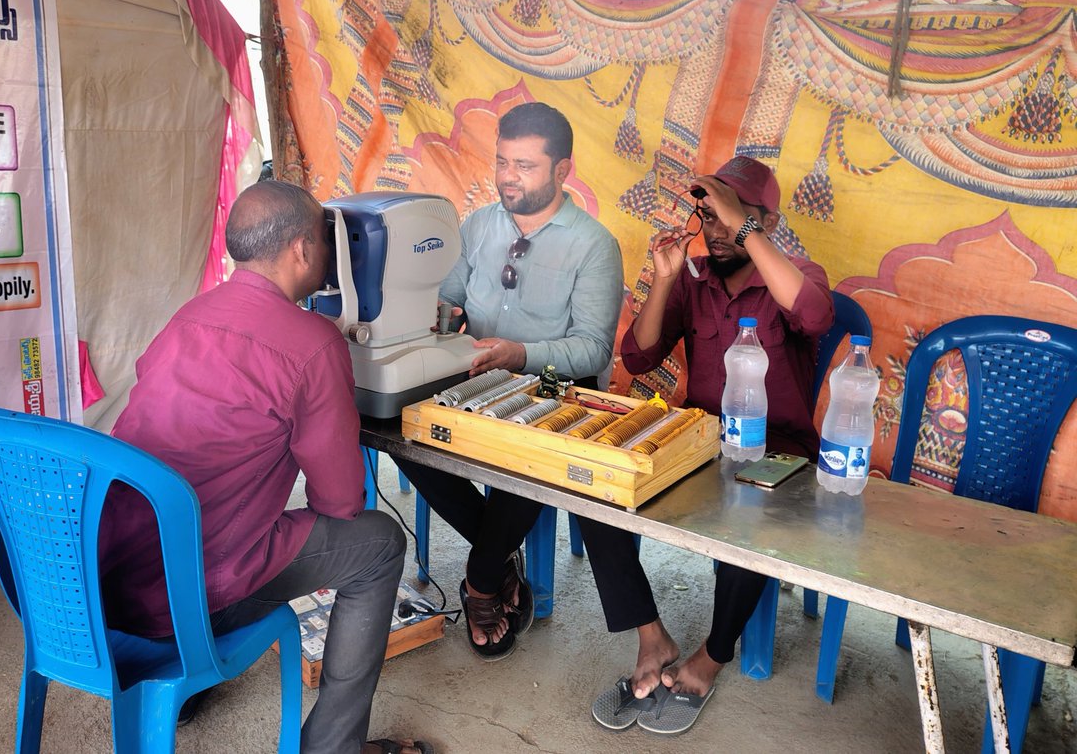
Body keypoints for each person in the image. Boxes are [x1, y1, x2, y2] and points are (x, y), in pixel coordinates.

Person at [98, 181, 432, 754]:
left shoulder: (189, 316)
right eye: (328, 242)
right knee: (378, 543)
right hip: (188, 596)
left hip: (108, 583)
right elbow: (339, 503)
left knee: (214, 506)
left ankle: (188, 677)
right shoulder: (311, 342)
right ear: (302, 249)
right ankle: (333, 748)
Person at [588, 155, 834, 728]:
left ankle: (712, 656)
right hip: (698, 444)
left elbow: (818, 316)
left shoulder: (798, 272)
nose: (717, 230)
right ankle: (652, 639)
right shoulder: (694, 278)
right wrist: (667, 277)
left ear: (766, 223)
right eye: (710, 215)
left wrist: (742, 225)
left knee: (749, 518)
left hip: (779, 459)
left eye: (732, 216)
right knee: (597, 493)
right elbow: (638, 355)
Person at [393, 102, 624, 660]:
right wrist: (433, 326)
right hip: (477, 375)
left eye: (524, 165)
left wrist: (519, 354)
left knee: (530, 450)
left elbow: (592, 349)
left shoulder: (594, 245)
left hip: (553, 382)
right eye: (501, 161)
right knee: (398, 432)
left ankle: (480, 576)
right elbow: (446, 304)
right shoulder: (476, 226)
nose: (507, 177)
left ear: (562, 170)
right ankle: (499, 557)